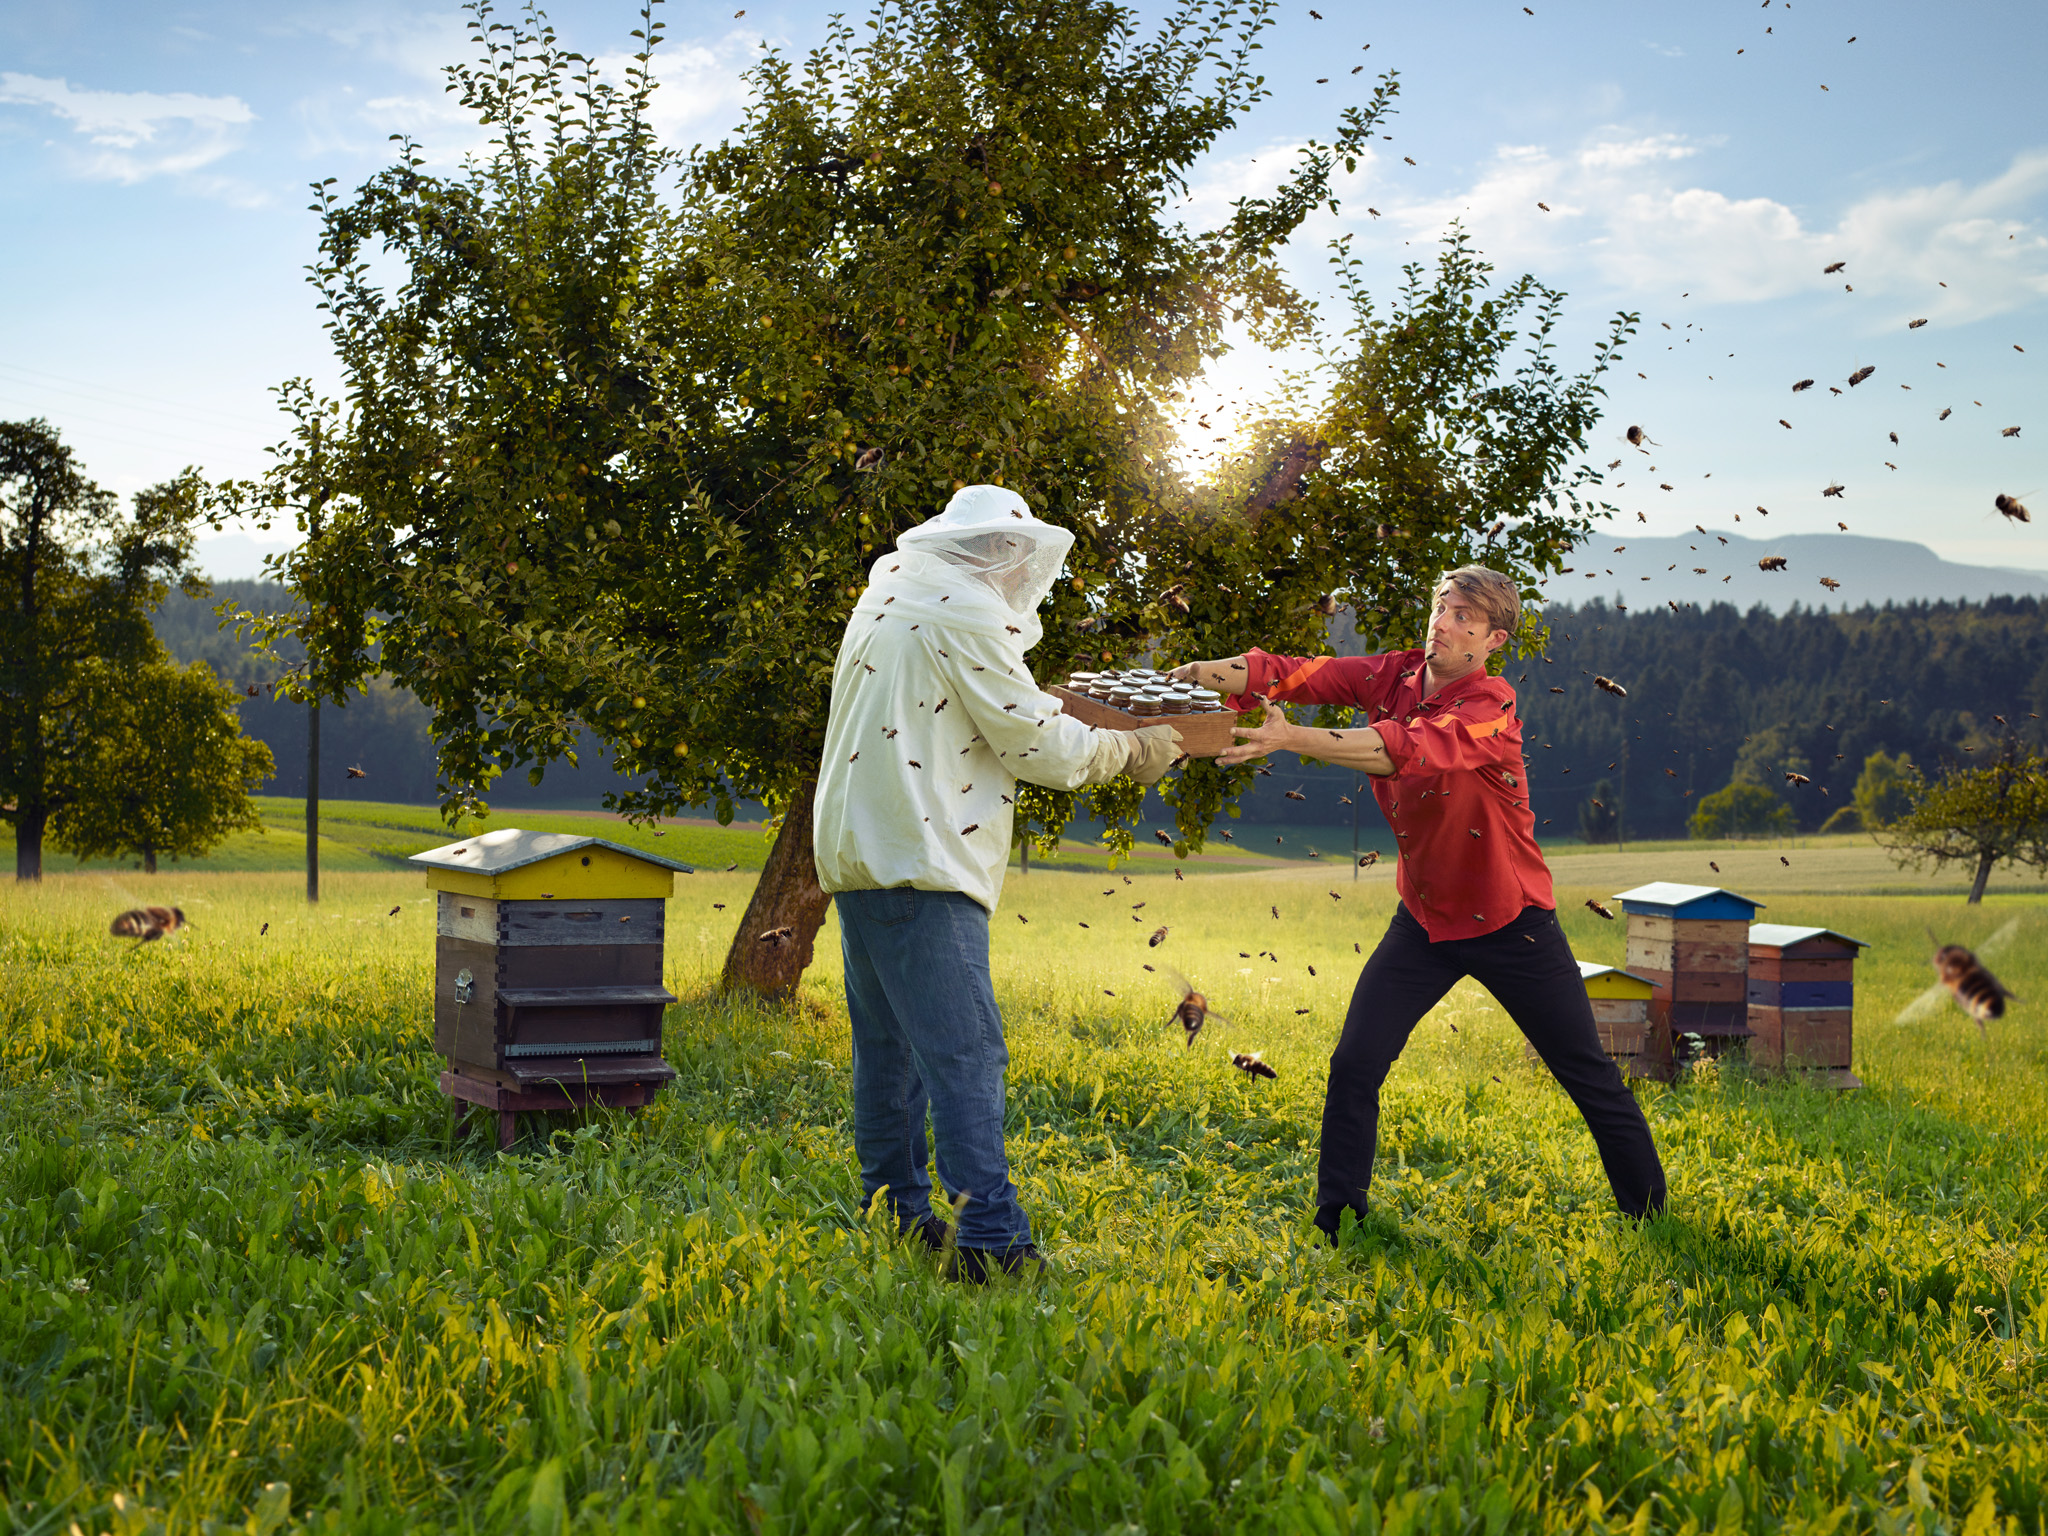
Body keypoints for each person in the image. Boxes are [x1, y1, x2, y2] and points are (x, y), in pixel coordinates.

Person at [1172, 565, 1667, 1240]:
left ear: (1493, 640)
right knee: (1354, 1064)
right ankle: (1339, 1221)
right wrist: (1207, 674)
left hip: (1510, 923)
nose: (1445, 622)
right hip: (1424, 921)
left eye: (1466, 617)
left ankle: (1650, 1216)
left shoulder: (1491, 710)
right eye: (1442, 607)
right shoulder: (1393, 676)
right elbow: (1297, 674)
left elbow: (1401, 751)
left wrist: (1292, 739)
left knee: (1585, 1074)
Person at [814, 485, 1181, 1281]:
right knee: (966, 1055)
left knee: (888, 1051)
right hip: (922, 853)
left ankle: (898, 1214)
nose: (1016, 568)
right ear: (995, 552)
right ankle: (992, 1242)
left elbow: (980, 706)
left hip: (861, 849)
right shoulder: (963, 611)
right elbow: (1040, 748)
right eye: (1009, 553)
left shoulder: (891, 592)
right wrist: (1134, 750)